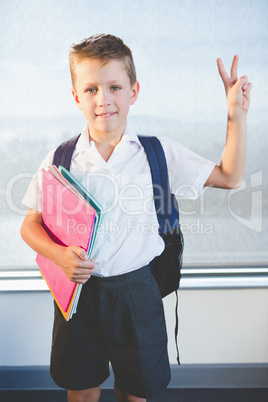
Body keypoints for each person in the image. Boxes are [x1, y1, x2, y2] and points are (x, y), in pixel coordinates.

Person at [20, 33, 252, 402]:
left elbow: (230, 176)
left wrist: (235, 116)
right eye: (92, 89)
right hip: (79, 294)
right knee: (81, 392)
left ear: (134, 90)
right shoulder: (60, 159)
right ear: (76, 95)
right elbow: (29, 225)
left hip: (138, 292)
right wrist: (59, 255)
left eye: (114, 86)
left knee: (136, 392)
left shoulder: (157, 153)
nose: (103, 99)